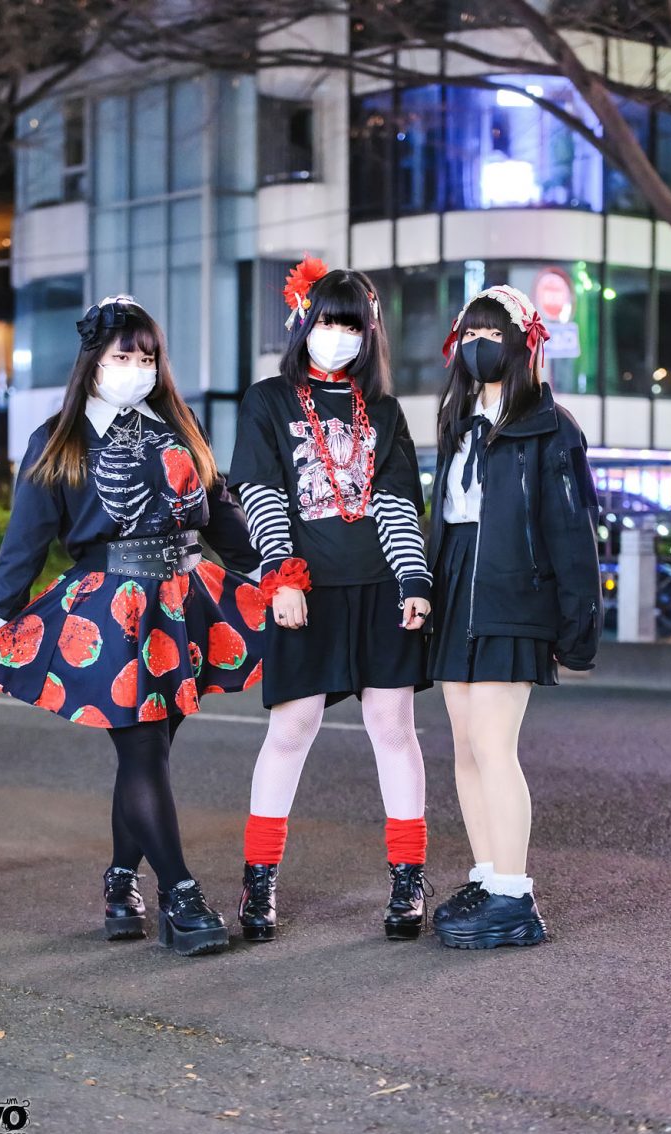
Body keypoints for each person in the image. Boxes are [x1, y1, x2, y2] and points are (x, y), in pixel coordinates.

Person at [0, 295, 266, 958]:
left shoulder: (176, 425)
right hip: (114, 608)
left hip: (183, 600)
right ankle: (180, 895)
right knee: (143, 750)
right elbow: (26, 536)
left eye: (147, 358)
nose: (137, 369)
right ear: (93, 360)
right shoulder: (59, 438)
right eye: (124, 357)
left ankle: (122, 882)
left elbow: (218, 510)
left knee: (149, 753)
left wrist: (267, 573)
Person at [227, 258, 433, 943]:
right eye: (328, 323)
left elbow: (398, 503)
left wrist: (413, 580)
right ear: (303, 324)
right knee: (292, 730)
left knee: (394, 728)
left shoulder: (386, 411)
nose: (339, 336)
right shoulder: (268, 400)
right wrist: (281, 577)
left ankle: (407, 880)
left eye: (352, 326)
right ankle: (259, 880)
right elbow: (260, 491)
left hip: (379, 587)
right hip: (306, 590)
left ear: (368, 335)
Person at [427, 284, 602, 949]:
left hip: (515, 592)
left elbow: (573, 533)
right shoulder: (457, 420)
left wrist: (578, 629)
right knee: (465, 747)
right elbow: (444, 519)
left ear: (523, 345)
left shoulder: (552, 426)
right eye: (470, 335)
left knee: (494, 745)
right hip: (457, 587)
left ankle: (514, 897)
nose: (479, 347)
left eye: (493, 335)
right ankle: (488, 875)